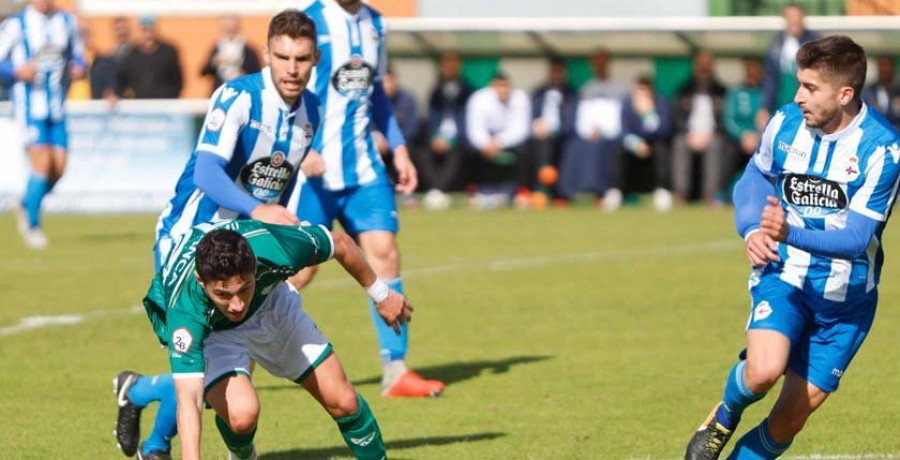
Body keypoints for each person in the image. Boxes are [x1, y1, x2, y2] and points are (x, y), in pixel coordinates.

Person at [112, 10, 322, 460]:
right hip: (187, 238)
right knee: (206, 359)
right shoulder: (237, 97)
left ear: (314, 59)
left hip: (244, 239)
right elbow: (207, 171)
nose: (291, 67)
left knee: (228, 366)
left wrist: (285, 238)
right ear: (266, 54)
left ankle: (145, 409)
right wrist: (260, 210)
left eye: (300, 57)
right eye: (282, 56)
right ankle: (151, 423)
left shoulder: (311, 112)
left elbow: (278, 183)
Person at [685, 35, 900, 460]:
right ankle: (725, 415)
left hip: (845, 301)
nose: (798, 96)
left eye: (810, 88)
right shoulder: (784, 123)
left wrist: (788, 231)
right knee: (763, 371)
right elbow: (755, 176)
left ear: (845, 94)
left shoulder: (883, 148)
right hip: (784, 275)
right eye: (798, 84)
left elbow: (857, 239)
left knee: (787, 421)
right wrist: (751, 229)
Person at [132, 219, 407, 460]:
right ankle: (241, 455)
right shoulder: (186, 312)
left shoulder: (272, 247)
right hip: (215, 332)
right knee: (242, 416)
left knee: (344, 401)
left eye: (243, 288)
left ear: (254, 267)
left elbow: (341, 243)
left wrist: (381, 295)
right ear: (201, 281)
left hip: (270, 305)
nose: (237, 304)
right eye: (224, 295)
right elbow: (189, 399)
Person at [290, 0, 444, 398]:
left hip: (364, 169)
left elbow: (376, 94)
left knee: (385, 253)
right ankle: (233, 359)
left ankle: (396, 370)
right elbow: (282, 92)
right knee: (298, 271)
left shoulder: (377, 23)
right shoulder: (310, 20)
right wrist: (299, 148)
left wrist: (399, 148)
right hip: (314, 172)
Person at [0, 0, 86, 249]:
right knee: (43, 162)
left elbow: (78, 56)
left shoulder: (66, 22)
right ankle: (32, 225)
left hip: (57, 108)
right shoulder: (16, 24)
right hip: (29, 108)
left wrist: (79, 68)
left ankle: (27, 201)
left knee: (58, 168)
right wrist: (16, 71)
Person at [559, 49, 625, 208]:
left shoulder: (619, 89)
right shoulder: (587, 88)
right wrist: (589, 130)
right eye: (596, 63)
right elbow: (582, 116)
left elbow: (618, 118)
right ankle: (567, 193)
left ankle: (600, 192)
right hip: (588, 134)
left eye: (602, 62)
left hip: (610, 135)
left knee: (599, 148)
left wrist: (602, 130)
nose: (599, 66)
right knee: (572, 147)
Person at [465, 72, 532, 208]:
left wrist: (499, 142)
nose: (503, 90)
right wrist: (486, 144)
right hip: (485, 145)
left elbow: (521, 130)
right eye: (498, 86)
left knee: (525, 150)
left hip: (509, 143)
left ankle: (514, 192)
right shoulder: (478, 99)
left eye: (505, 86)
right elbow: (474, 131)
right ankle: (480, 191)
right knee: (469, 150)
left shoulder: (520, 98)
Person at [672, 50, 728, 206]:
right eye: (701, 66)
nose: (704, 69)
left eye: (707, 66)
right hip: (688, 134)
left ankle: (711, 194)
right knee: (679, 143)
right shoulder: (684, 90)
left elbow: (725, 119)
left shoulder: (721, 90)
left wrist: (711, 134)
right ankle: (681, 193)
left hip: (712, 135)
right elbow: (676, 117)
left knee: (717, 145)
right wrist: (689, 134)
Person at [418, 51, 473, 207]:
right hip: (437, 137)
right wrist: (434, 137)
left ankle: (439, 191)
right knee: (424, 153)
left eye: (452, 64)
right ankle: (435, 191)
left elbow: (469, 120)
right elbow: (430, 118)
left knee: (454, 155)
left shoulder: (469, 91)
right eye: (446, 64)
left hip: (459, 139)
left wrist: (453, 139)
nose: (449, 68)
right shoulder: (435, 91)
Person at [756, 2, 818, 132]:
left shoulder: (815, 44)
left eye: (797, 17)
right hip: (782, 105)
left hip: (807, 107)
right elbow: (770, 80)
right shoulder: (776, 45)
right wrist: (764, 107)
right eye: (791, 18)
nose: (794, 22)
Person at [614, 75, 673, 212]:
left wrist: (648, 113)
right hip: (633, 147)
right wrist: (636, 144)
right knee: (618, 149)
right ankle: (616, 191)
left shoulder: (662, 103)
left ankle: (662, 191)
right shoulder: (626, 103)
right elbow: (623, 131)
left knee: (661, 147)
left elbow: (664, 131)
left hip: (653, 146)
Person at [531, 57, 577, 202]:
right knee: (539, 147)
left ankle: (561, 193)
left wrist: (555, 130)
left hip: (562, 135)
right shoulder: (539, 92)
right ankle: (539, 190)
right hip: (541, 135)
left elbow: (571, 121)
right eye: (554, 72)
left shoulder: (571, 94)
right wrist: (537, 125)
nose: (556, 75)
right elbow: (532, 114)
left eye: (559, 72)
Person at [117, 15, 183, 99]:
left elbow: (177, 81)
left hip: (164, 105)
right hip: (138, 106)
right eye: (144, 29)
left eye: (150, 28)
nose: (147, 33)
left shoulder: (169, 52)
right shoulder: (131, 54)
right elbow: (123, 81)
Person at [201, 15, 261, 95]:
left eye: (232, 28)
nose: (229, 31)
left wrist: (243, 74)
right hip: (220, 90)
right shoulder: (217, 47)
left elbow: (257, 73)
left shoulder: (248, 50)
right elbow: (203, 71)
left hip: (242, 91)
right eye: (226, 28)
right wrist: (216, 61)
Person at [723, 57, 763, 173]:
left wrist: (759, 137)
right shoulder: (736, 92)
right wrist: (742, 135)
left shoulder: (767, 93)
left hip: (761, 139)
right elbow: (728, 120)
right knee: (728, 151)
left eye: (756, 70)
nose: (753, 73)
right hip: (739, 140)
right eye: (749, 70)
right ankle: (725, 189)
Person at [862, 56, 900, 129]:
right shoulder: (868, 92)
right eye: (882, 68)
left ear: (893, 70)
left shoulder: (897, 92)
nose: (885, 71)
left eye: (888, 68)